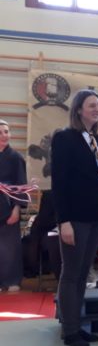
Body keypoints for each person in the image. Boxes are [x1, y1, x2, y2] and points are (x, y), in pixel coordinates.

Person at [51, 89, 98, 346]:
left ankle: (76, 323)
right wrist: (63, 221)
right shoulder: (64, 138)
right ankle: (69, 330)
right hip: (74, 218)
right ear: (78, 109)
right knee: (71, 273)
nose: (97, 109)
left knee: (84, 273)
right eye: (92, 105)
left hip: (95, 216)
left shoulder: (97, 140)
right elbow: (59, 183)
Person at [0, 119, 27, 293]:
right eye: (0, 132)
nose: (4, 135)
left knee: (10, 248)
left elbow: (21, 185)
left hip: (9, 207)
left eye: (6, 131)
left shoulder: (15, 157)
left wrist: (17, 209)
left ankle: (12, 280)